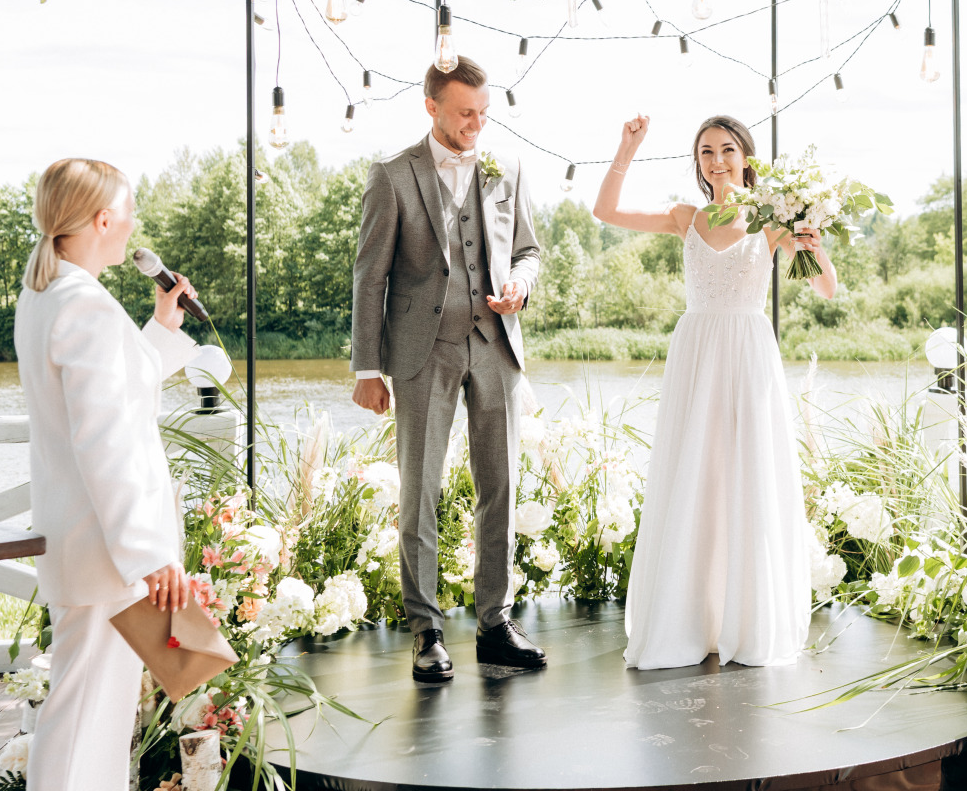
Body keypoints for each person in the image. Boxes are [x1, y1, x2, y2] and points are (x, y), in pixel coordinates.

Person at [593, 114, 836, 670]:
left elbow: (826, 288)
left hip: (749, 353)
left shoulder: (773, 220)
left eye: (727, 149)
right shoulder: (687, 217)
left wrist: (812, 241)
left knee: (747, 475)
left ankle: (745, 621)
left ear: (746, 156)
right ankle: (693, 618)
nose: (717, 159)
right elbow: (604, 213)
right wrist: (626, 148)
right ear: (698, 162)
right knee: (696, 476)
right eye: (706, 151)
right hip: (698, 353)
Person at [351, 56, 544, 682]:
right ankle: (426, 628)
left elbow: (529, 250)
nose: (476, 125)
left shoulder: (506, 167)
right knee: (420, 489)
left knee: (501, 483)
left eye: (484, 114)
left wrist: (519, 281)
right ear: (431, 106)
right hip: (419, 350)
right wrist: (366, 368)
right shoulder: (391, 175)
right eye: (466, 114)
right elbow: (369, 276)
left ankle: (495, 623)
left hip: (495, 344)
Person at [14, 158, 199, 791]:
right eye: (126, 214)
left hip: (85, 540)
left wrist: (162, 327)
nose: (131, 227)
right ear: (102, 219)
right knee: (86, 716)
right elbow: (106, 440)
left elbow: (114, 397)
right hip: (107, 549)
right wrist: (148, 551)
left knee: (90, 711)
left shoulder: (49, 293)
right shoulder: (84, 305)